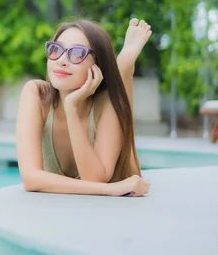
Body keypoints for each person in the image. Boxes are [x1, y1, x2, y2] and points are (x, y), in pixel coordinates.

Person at [16, 18, 152, 197]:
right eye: (56, 49)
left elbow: (95, 178)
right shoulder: (36, 93)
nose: (62, 61)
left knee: (118, 98)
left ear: (97, 65)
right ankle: (123, 68)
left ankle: (124, 67)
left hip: (107, 211)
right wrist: (110, 189)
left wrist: (71, 108)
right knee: (118, 98)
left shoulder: (106, 104)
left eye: (78, 53)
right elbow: (30, 179)